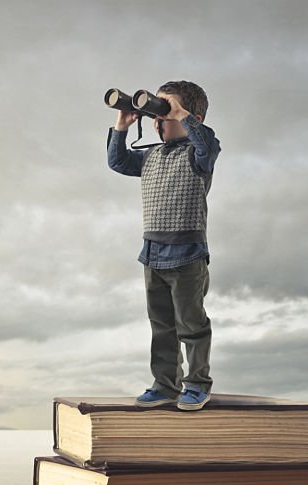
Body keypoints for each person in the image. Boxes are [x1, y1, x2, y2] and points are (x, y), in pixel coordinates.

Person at [107, 81, 220, 410]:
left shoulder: (199, 155)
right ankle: (165, 383)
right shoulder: (150, 156)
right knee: (161, 325)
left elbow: (207, 146)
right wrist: (122, 126)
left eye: (164, 112)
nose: (157, 120)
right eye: (155, 113)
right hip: (152, 254)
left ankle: (198, 384)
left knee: (191, 325)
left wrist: (183, 116)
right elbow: (117, 162)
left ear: (191, 116)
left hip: (187, 255)